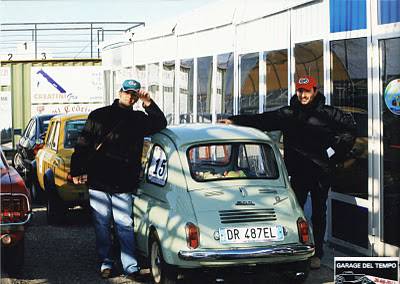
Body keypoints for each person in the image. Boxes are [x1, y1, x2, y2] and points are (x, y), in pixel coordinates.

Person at [219, 75, 356, 269]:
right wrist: (234, 121)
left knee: (319, 212)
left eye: (307, 91)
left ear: (314, 91)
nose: (303, 95)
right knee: (294, 212)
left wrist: (333, 152)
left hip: (320, 172)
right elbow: (262, 120)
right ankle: (295, 250)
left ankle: (317, 253)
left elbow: (350, 129)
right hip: (298, 172)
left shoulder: (328, 114)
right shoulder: (288, 114)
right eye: (300, 91)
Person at [70, 79, 167, 279]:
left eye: (134, 95)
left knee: (123, 224)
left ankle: (129, 266)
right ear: (120, 92)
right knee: (102, 224)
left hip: (121, 182)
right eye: (128, 93)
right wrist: (77, 170)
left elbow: (160, 122)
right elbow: (83, 145)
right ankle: (107, 262)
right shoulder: (98, 116)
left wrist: (148, 102)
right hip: (100, 181)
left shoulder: (139, 119)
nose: (131, 97)